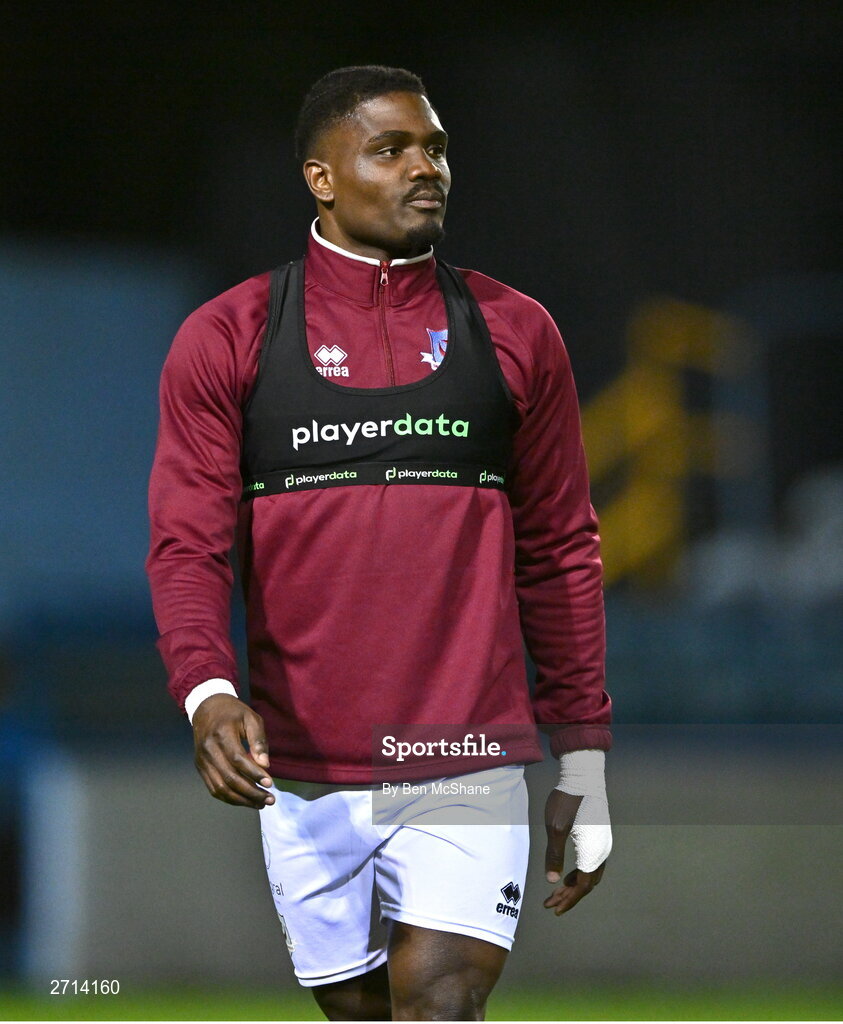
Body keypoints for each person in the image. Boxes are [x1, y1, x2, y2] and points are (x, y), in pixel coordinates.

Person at [146, 65, 613, 1021]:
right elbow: (186, 545)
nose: (425, 168)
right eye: (391, 149)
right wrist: (207, 690)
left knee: (440, 1007)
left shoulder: (516, 333)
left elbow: (562, 551)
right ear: (321, 177)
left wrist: (582, 759)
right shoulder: (228, 336)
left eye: (435, 147)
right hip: (305, 768)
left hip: (463, 751)